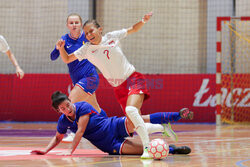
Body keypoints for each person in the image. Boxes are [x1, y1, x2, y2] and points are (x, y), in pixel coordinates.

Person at [56, 11, 155, 158]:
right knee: (134, 121)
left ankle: (147, 148)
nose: (89, 35)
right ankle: (162, 128)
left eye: (91, 31)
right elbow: (67, 59)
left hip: (132, 78)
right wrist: (61, 48)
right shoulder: (86, 49)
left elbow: (133, 29)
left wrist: (143, 20)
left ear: (99, 29)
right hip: (118, 88)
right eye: (86, 33)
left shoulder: (111, 37)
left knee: (132, 111)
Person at [31, 91, 192, 157]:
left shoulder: (83, 107)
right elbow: (58, 137)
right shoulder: (63, 121)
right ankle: (172, 150)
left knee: (137, 117)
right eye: (63, 109)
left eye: (67, 104)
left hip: (112, 125)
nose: (67, 109)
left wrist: (69, 151)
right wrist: (45, 151)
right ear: (59, 111)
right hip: (108, 144)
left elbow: (80, 131)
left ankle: (176, 116)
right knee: (144, 150)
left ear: (70, 100)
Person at [50, 13, 107, 142]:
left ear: (81, 24)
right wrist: (58, 48)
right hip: (78, 80)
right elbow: (53, 57)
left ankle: (73, 131)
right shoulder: (64, 39)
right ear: (67, 25)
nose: (74, 25)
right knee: (96, 108)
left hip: (90, 77)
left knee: (70, 103)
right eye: (71, 23)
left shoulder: (87, 38)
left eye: (76, 22)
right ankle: (110, 127)